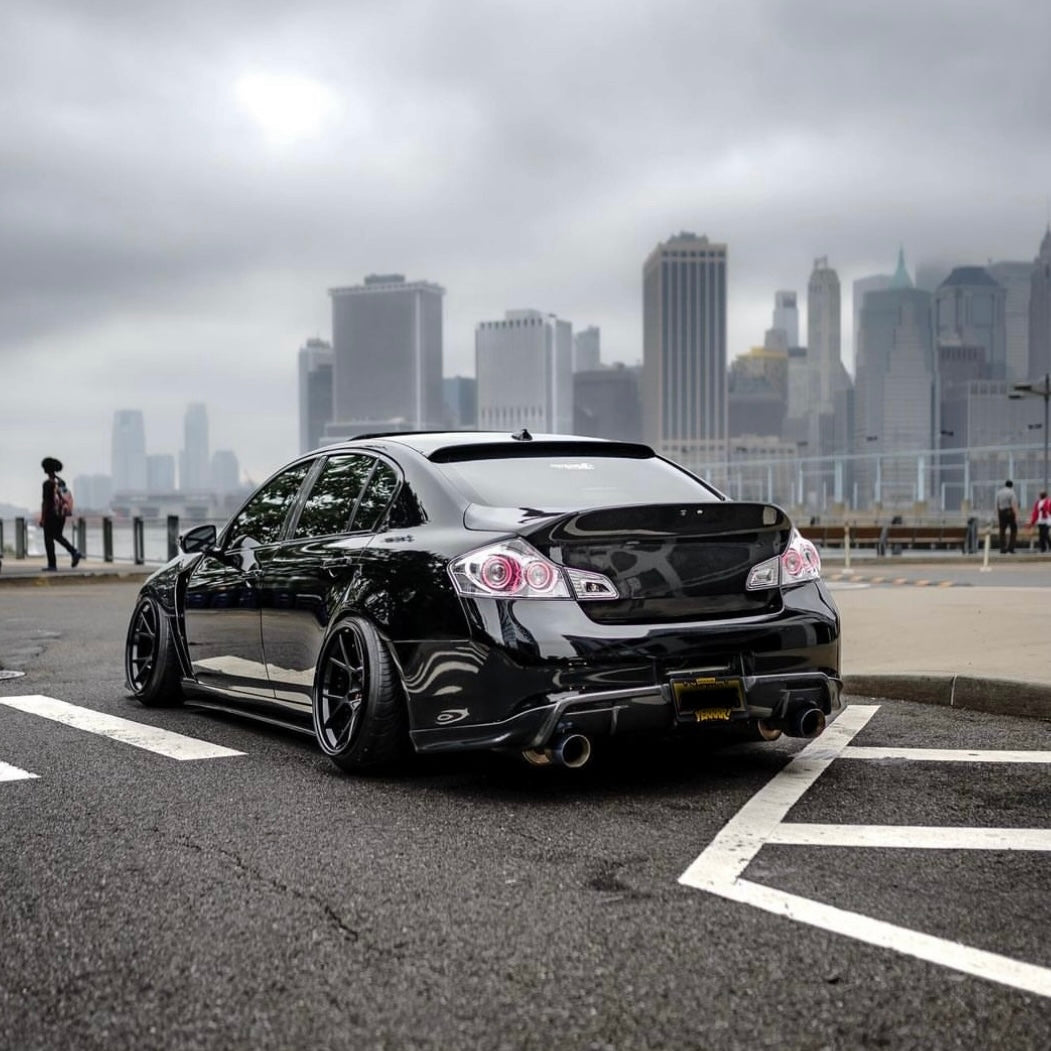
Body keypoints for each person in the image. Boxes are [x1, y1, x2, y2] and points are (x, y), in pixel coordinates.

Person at [39, 457, 81, 571]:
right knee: (57, 535)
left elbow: (46, 502)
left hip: (50, 515)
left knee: (48, 538)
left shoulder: (47, 484)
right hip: (61, 515)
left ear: (47, 469)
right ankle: (74, 552)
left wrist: (42, 518)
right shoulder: (61, 482)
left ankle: (52, 565)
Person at [994, 478, 1019, 555]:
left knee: (1002, 531)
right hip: (1009, 512)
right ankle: (1011, 548)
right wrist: (1016, 516)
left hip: (1001, 513)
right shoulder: (1012, 493)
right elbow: (1013, 505)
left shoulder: (999, 493)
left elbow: (996, 505)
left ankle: (1002, 548)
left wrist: (998, 515)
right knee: (1013, 530)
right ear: (1011, 486)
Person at [1029, 489, 1051, 553]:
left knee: (1045, 534)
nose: (1041, 495)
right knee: (1041, 535)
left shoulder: (1049, 501)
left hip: (1047, 520)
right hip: (1040, 520)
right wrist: (1032, 521)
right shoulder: (1038, 502)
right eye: (1040, 494)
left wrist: (1044, 509)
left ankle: (1049, 546)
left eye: (1042, 494)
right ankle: (1043, 548)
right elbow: (1035, 512)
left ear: (1045, 495)